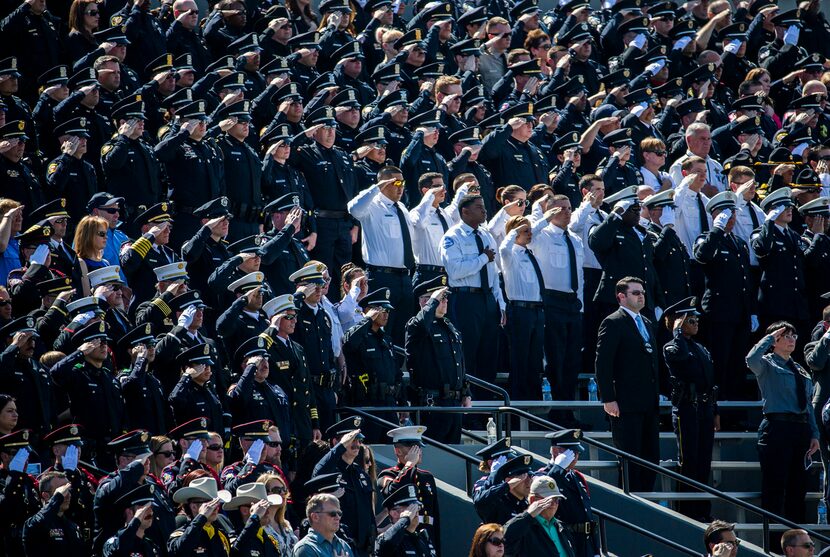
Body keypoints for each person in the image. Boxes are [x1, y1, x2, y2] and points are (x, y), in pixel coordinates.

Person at [747, 322, 820, 525]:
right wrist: (769, 337)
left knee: (798, 487)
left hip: (800, 429)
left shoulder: (799, 369)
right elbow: (750, 359)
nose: (791, 339)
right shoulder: (767, 364)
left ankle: (795, 539)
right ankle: (772, 541)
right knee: (775, 486)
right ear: (774, 341)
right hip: (777, 428)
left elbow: (807, 404)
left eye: (794, 335)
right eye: (785, 336)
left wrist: (814, 433)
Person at [594, 276, 660, 492]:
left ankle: (649, 505)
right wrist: (608, 398)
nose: (641, 296)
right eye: (635, 292)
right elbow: (603, 363)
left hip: (648, 403)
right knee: (631, 459)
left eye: (642, 292)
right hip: (625, 404)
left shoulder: (647, 322)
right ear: (621, 296)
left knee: (651, 458)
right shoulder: (613, 321)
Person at [440, 194, 504, 387]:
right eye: (478, 207)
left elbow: (494, 274)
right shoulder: (453, 236)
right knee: (468, 352)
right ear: (465, 212)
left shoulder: (486, 235)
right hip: (466, 299)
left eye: (483, 206)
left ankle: (487, 406)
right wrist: (483, 258)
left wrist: (500, 304)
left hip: (487, 300)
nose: (484, 210)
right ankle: (468, 407)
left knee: (489, 353)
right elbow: (455, 271)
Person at [662, 296, 718, 521]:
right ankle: (686, 513)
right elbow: (682, 359)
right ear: (678, 322)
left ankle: (702, 513)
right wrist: (676, 333)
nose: (696, 322)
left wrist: (716, 412)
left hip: (704, 408)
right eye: (690, 319)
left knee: (704, 462)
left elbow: (710, 380)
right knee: (689, 462)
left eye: (696, 319)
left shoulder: (700, 347)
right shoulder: (672, 347)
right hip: (686, 409)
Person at [405, 277, 469, 443]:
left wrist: (466, 392)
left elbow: (459, 362)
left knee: (454, 454)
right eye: (441, 298)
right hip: (433, 404)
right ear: (425, 301)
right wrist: (432, 301)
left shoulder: (449, 327)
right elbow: (419, 325)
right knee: (435, 453)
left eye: (446, 298)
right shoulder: (417, 326)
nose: (445, 301)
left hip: (453, 404)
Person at [311, 419, 374, 557]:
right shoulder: (329, 471)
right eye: (351, 439)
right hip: (338, 547)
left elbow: (369, 514)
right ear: (336, 442)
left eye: (358, 440)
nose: (356, 444)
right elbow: (317, 472)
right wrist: (340, 447)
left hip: (364, 549)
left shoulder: (362, 475)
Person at [378, 426, 440, 552]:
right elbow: (392, 490)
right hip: (402, 536)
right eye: (413, 447)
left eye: (419, 447)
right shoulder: (388, 475)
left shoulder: (426, 477)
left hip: (426, 536)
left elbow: (435, 515)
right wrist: (409, 464)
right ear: (398, 451)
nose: (418, 451)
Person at [539, 430, 599, 557]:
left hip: (585, 542)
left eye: (577, 453)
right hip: (564, 538)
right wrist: (557, 468)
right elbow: (543, 491)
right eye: (571, 453)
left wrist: (595, 549)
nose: (576, 457)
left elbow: (587, 513)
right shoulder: (543, 475)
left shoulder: (576, 476)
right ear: (556, 452)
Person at [502, 475, 575, 557]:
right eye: (549, 500)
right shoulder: (523, 527)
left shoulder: (561, 526)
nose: (554, 504)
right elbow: (505, 540)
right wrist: (528, 515)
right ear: (533, 500)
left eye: (556, 499)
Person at [167, 477, 233, 556]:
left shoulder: (221, 535)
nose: (216, 508)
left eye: (217, 503)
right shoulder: (181, 534)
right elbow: (178, 551)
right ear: (194, 507)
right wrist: (201, 517)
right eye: (210, 504)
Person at [375, 484, 437, 557]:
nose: (416, 511)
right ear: (394, 513)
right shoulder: (386, 539)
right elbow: (386, 543)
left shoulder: (423, 539)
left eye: (417, 507)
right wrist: (405, 519)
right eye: (411, 508)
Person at [224, 482, 283, 557]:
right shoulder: (235, 537)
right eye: (262, 508)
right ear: (245, 510)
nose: (268, 511)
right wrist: (255, 517)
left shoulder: (268, 539)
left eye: (268, 507)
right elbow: (235, 553)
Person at [473, 455, 533, 525]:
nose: (529, 481)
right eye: (522, 478)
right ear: (509, 480)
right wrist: (506, 485)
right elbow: (480, 502)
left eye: (529, 476)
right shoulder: (499, 504)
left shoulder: (528, 503)